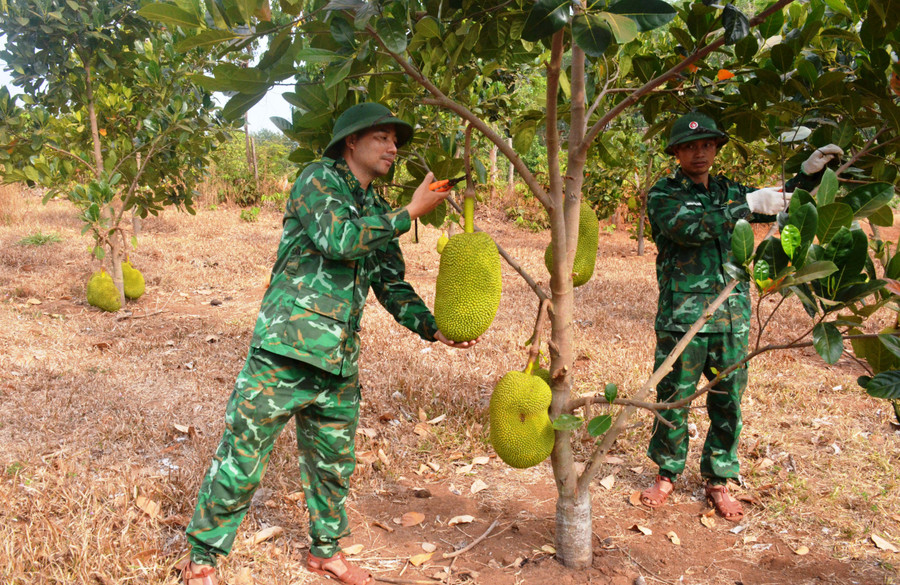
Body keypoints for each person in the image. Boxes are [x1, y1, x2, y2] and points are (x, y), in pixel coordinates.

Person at [178, 102, 477, 585]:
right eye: (382, 137)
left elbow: (390, 282)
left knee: (334, 466)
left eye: (395, 140)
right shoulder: (317, 179)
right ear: (351, 142)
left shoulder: (378, 208)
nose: (392, 147)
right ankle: (203, 558)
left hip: (338, 359)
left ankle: (325, 551)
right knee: (243, 456)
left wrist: (433, 327)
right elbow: (337, 239)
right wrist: (410, 213)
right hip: (284, 351)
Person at [640, 112, 842, 521]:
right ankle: (666, 473)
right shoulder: (664, 193)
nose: (700, 153)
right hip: (684, 316)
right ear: (677, 151)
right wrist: (747, 206)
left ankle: (718, 479)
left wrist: (805, 175)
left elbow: (778, 203)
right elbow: (689, 229)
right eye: (691, 146)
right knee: (674, 398)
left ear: (715, 149)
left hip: (732, 315)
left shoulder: (728, 190)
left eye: (707, 145)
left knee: (728, 400)